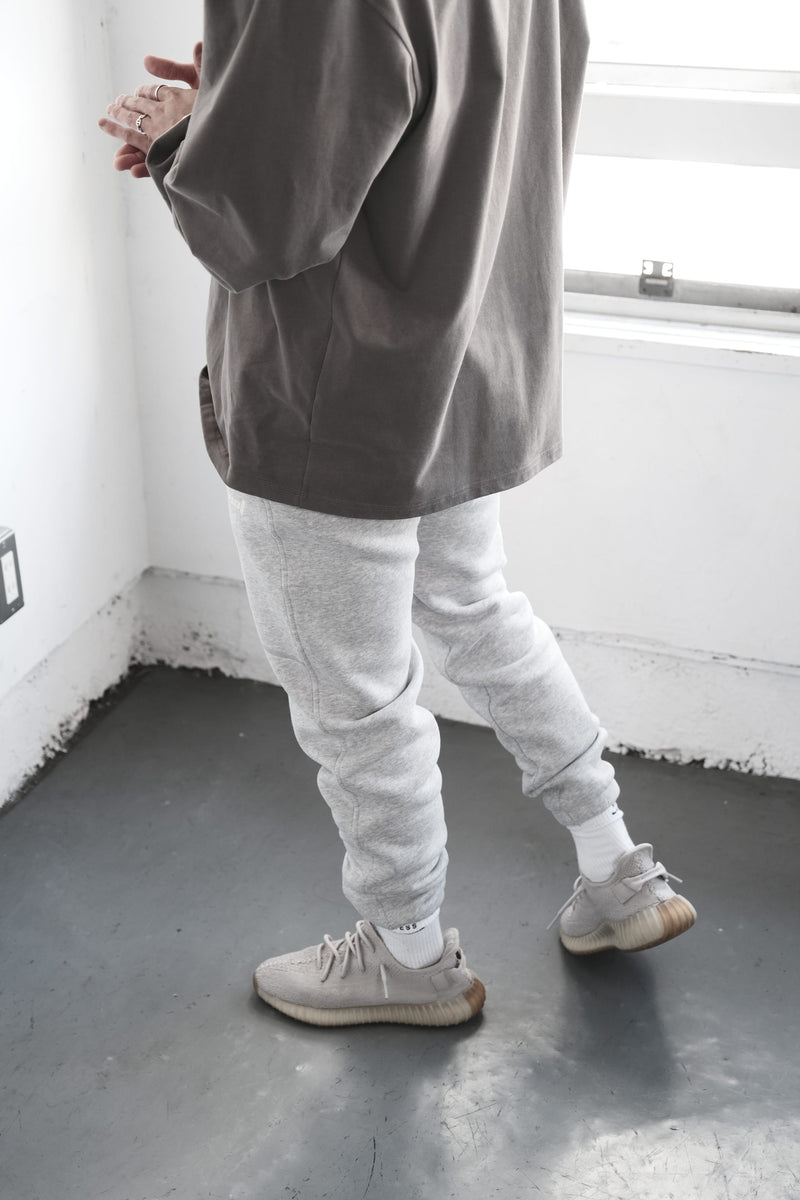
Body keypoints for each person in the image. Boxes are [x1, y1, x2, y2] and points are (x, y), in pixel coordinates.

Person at [99, 0, 696, 1030]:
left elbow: (264, 221)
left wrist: (183, 140)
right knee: (477, 609)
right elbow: (437, 109)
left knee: (354, 695)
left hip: (338, 393)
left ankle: (407, 952)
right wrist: (243, 100)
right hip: (461, 355)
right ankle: (618, 869)